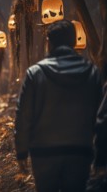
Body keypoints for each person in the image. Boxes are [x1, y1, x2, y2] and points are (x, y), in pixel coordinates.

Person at [15, 20, 102, 192]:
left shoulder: (35, 73)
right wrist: (101, 155)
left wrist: (22, 152)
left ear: (49, 42)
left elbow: (24, 115)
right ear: (74, 42)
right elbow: (100, 116)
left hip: (44, 153)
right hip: (80, 151)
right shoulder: (92, 72)